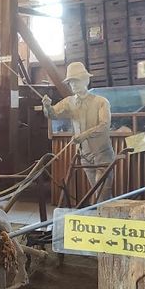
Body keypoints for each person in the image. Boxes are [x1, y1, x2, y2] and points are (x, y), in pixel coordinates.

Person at [42, 61, 115, 202]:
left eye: (76, 81)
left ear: (86, 80)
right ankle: (102, 212)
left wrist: (84, 135)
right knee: (96, 192)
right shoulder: (69, 102)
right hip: (85, 156)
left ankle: (107, 213)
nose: (73, 85)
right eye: (71, 82)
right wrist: (47, 107)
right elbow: (53, 115)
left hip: (102, 155)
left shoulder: (101, 102)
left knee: (103, 193)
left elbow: (104, 125)